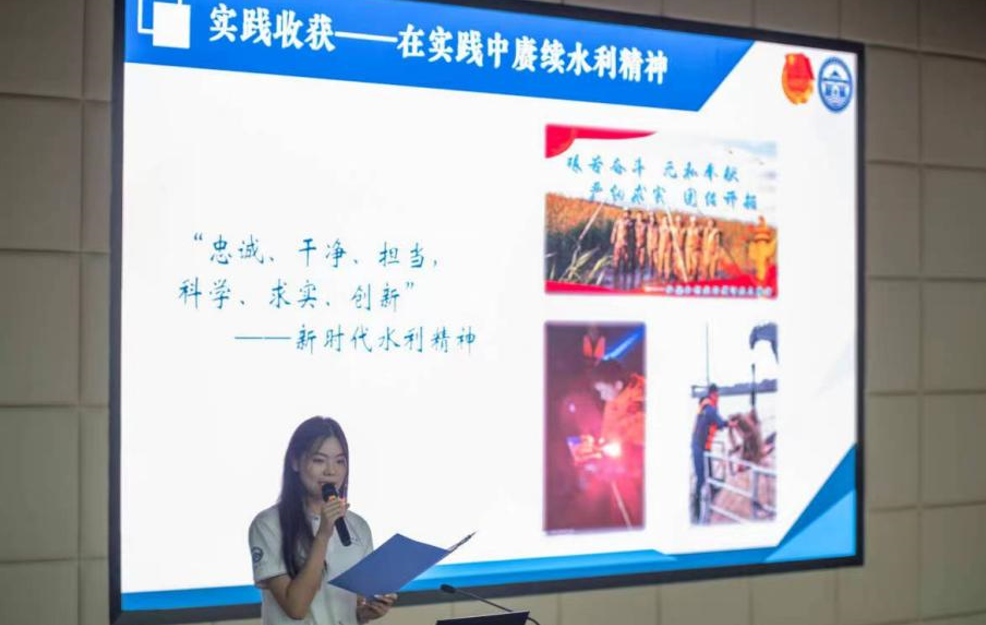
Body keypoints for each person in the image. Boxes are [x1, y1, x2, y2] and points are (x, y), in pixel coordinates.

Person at [249, 417, 396, 625]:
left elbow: (352, 605)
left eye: (340, 461)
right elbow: (296, 608)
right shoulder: (268, 525)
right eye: (319, 460)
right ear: (295, 462)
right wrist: (323, 535)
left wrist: (365, 613)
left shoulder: (358, 526)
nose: (331, 471)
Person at [691, 385, 729, 524]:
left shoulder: (706, 407)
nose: (718, 398)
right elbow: (720, 423)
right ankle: (696, 508)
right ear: (713, 394)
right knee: (701, 478)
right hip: (699, 448)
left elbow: (716, 424)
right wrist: (730, 424)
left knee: (710, 472)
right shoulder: (710, 409)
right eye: (717, 395)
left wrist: (724, 424)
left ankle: (712, 491)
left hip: (703, 447)